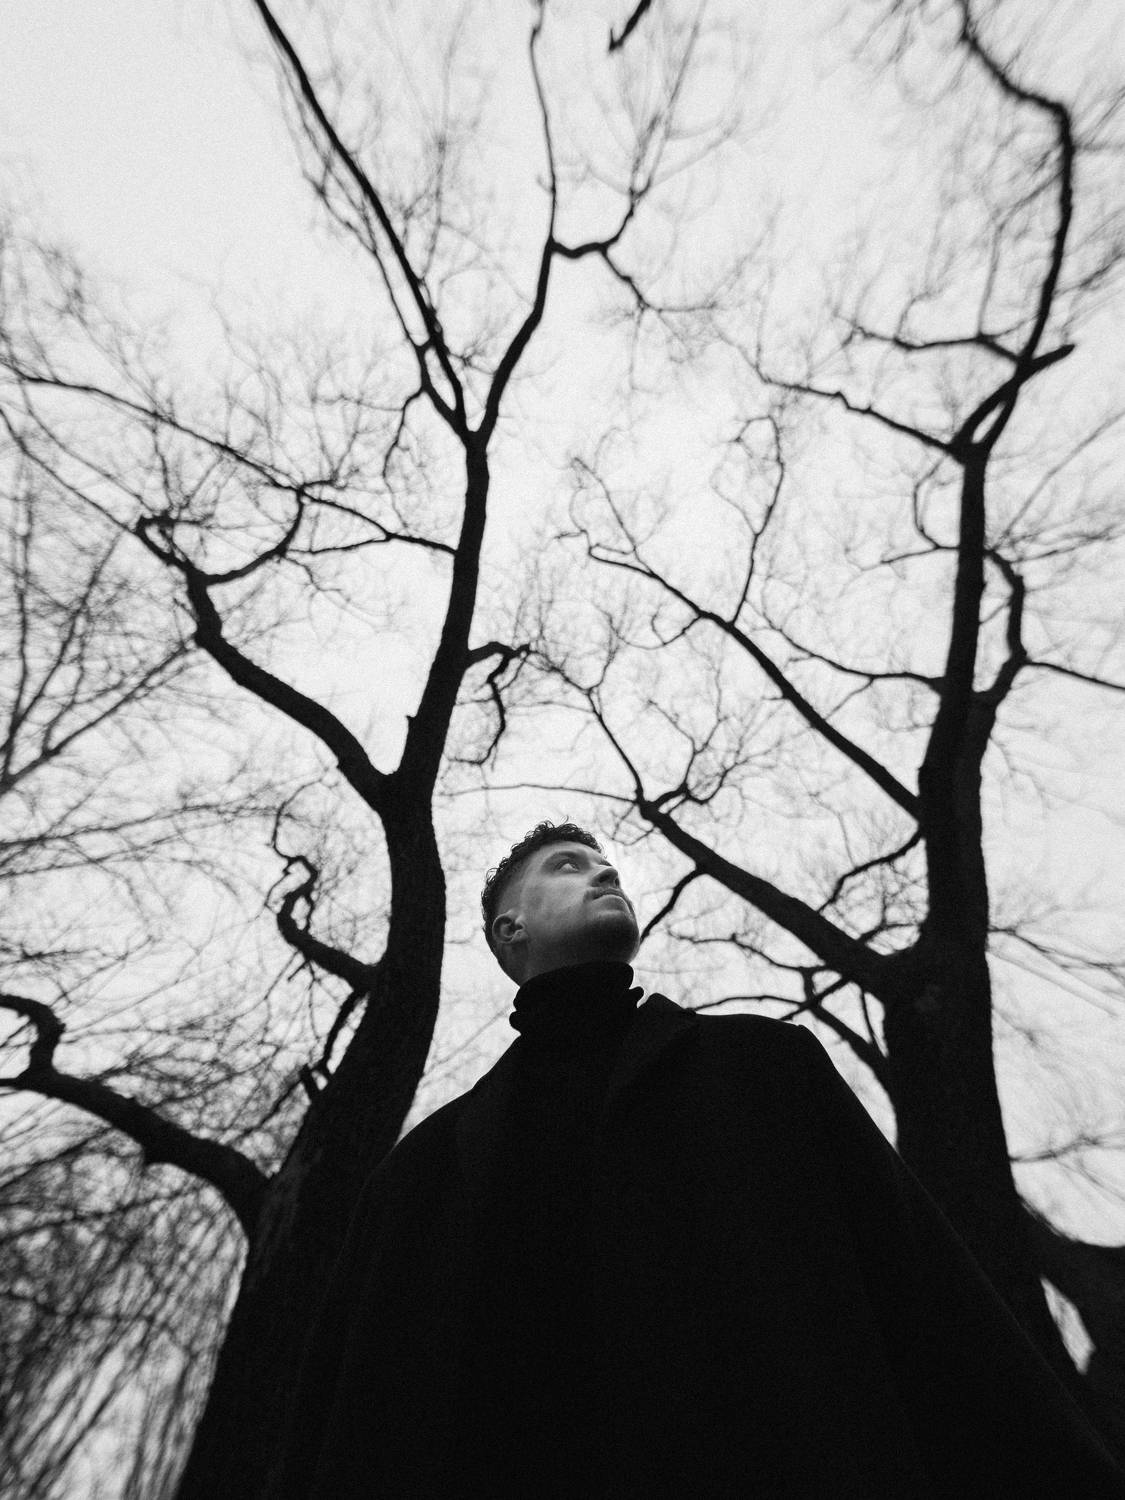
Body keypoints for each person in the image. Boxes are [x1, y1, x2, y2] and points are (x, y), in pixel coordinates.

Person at [276, 820, 1124, 1498]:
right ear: (510, 929)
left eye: (608, 866)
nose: (604, 875)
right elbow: (351, 1423)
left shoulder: (764, 1067)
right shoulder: (420, 1173)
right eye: (569, 866)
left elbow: (928, 1304)